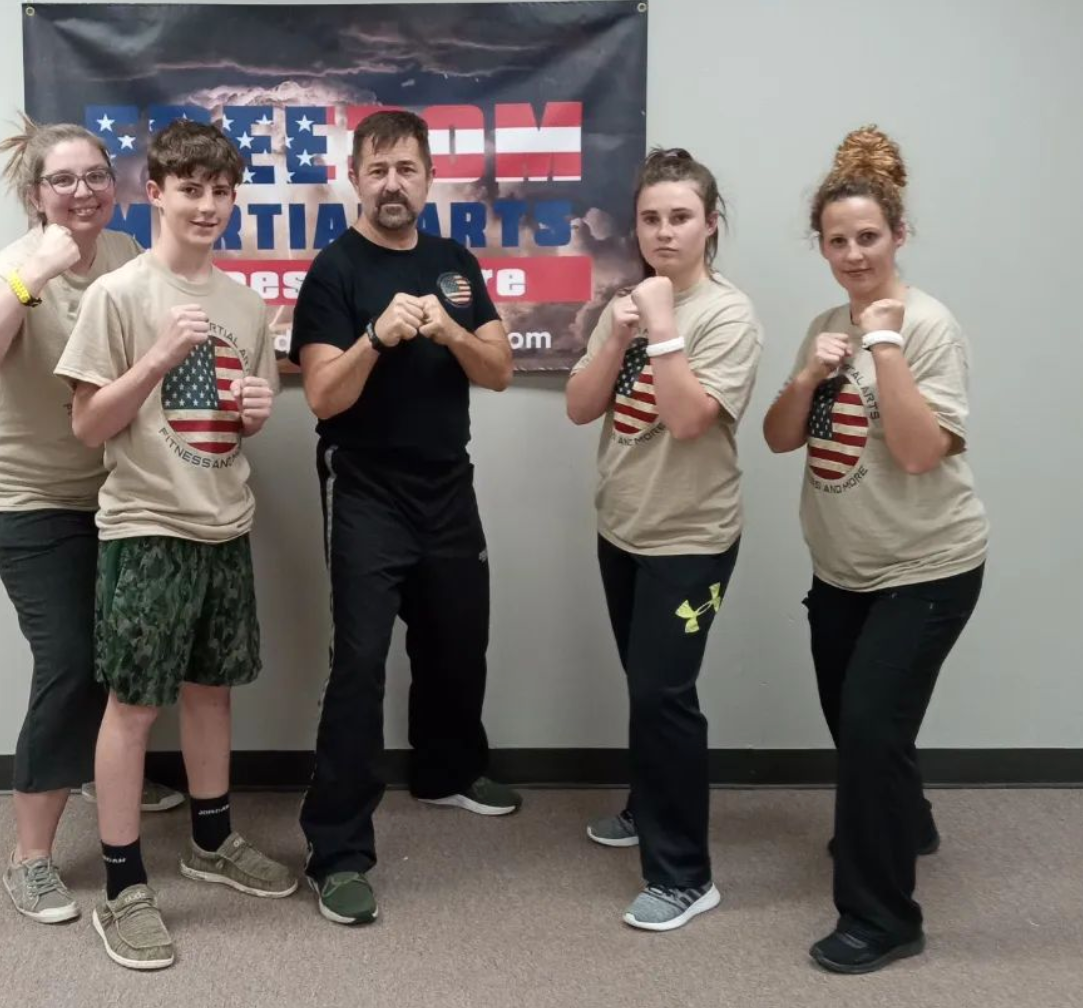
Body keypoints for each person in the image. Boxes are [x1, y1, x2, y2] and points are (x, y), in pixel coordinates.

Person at [55, 119, 294, 971]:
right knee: (133, 705)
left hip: (224, 521)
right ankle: (122, 885)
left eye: (221, 190)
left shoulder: (249, 304)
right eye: (190, 189)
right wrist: (156, 357)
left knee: (211, 691)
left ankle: (212, 838)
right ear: (155, 193)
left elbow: (227, 425)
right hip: (147, 526)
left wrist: (255, 415)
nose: (208, 205)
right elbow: (88, 424)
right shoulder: (119, 295)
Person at [0, 116, 182, 927]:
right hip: (28, 495)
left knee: (119, 649)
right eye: (63, 181)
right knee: (71, 659)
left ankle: (102, 770)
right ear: (35, 195)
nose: (83, 192)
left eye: (94, 176)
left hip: (115, 490)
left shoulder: (126, 259)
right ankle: (30, 859)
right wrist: (29, 277)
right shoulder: (12, 265)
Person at [763, 125, 988, 974]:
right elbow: (784, 437)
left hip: (927, 570)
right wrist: (808, 376)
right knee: (862, 730)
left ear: (899, 237)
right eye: (837, 241)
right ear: (821, 247)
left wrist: (885, 343)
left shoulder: (928, 327)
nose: (854, 253)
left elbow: (923, 450)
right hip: (842, 569)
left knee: (866, 728)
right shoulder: (826, 324)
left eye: (868, 237)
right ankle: (907, 817)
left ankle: (883, 917)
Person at [289, 109, 520, 926]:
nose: (394, 183)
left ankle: (448, 770)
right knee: (359, 662)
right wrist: (377, 338)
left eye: (408, 169)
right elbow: (321, 395)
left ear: (428, 179)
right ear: (355, 176)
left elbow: (497, 370)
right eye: (378, 168)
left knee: (459, 638)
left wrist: (451, 328)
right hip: (365, 488)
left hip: (448, 484)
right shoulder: (335, 271)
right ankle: (337, 850)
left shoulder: (454, 263)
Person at [566, 148, 762, 931]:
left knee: (664, 696)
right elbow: (582, 406)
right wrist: (616, 338)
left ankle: (685, 876)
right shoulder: (627, 302)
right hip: (625, 526)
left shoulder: (727, 314)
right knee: (644, 685)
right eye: (650, 218)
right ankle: (649, 803)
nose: (663, 231)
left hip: (692, 536)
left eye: (680, 217)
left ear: (711, 225)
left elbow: (686, 420)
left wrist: (661, 325)